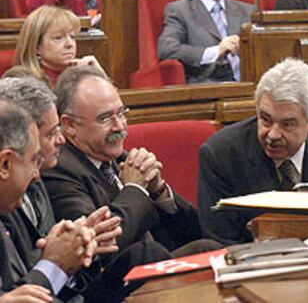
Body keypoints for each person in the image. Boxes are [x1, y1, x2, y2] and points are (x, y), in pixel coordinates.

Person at [43, 66, 221, 276]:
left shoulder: (119, 158)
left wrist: (160, 191)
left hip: (153, 267)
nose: (119, 126)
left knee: (208, 248)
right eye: (105, 118)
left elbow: (193, 232)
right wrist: (136, 189)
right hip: (108, 286)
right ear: (70, 125)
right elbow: (105, 244)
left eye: (121, 113)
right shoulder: (59, 169)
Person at [198, 58, 308, 245]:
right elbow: (221, 242)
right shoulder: (221, 154)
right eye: (265, 119)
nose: (273, 134)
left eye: (287, 124)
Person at [0, 99, 96, 299]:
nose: (36, 174)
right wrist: (54, 265)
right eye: (34, 160)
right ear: (5, 164)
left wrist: (70, 252)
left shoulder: (6, 210)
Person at [158, 0, 254, 83]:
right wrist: (215, 52)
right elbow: (167, 49)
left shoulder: (247, 10)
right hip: (208, 86)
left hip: (250, 86)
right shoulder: (180, 11)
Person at [7, 5, 105, 89]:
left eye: (72, 37)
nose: (70, 44)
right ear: (37, 47)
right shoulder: (23, 83)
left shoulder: (81, 75)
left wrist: (101, 77)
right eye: (58, 38)